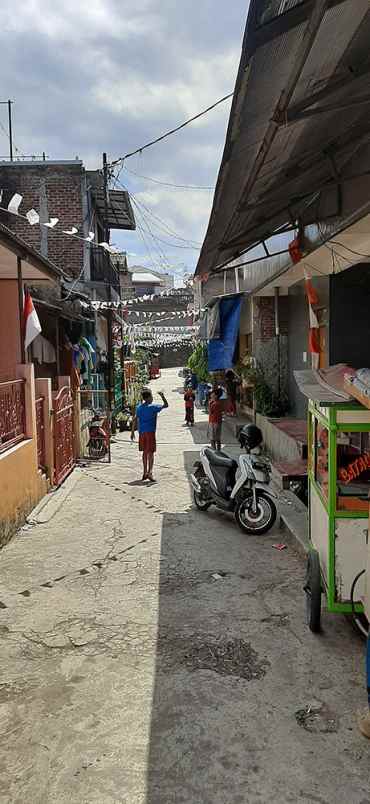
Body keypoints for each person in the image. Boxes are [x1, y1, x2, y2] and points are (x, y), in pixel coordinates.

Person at [131, 388, 168, 481]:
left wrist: (132, 432)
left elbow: (135, 419)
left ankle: (144, 472)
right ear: (148, 398)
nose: (152, 398)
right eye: (151, 396)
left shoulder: (139, 407)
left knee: (144, 453)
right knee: (150, 453)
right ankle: (150, 472)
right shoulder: (153, 407)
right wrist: (162, 396)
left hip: (142, 433)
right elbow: (166, 405)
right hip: (150, 432)